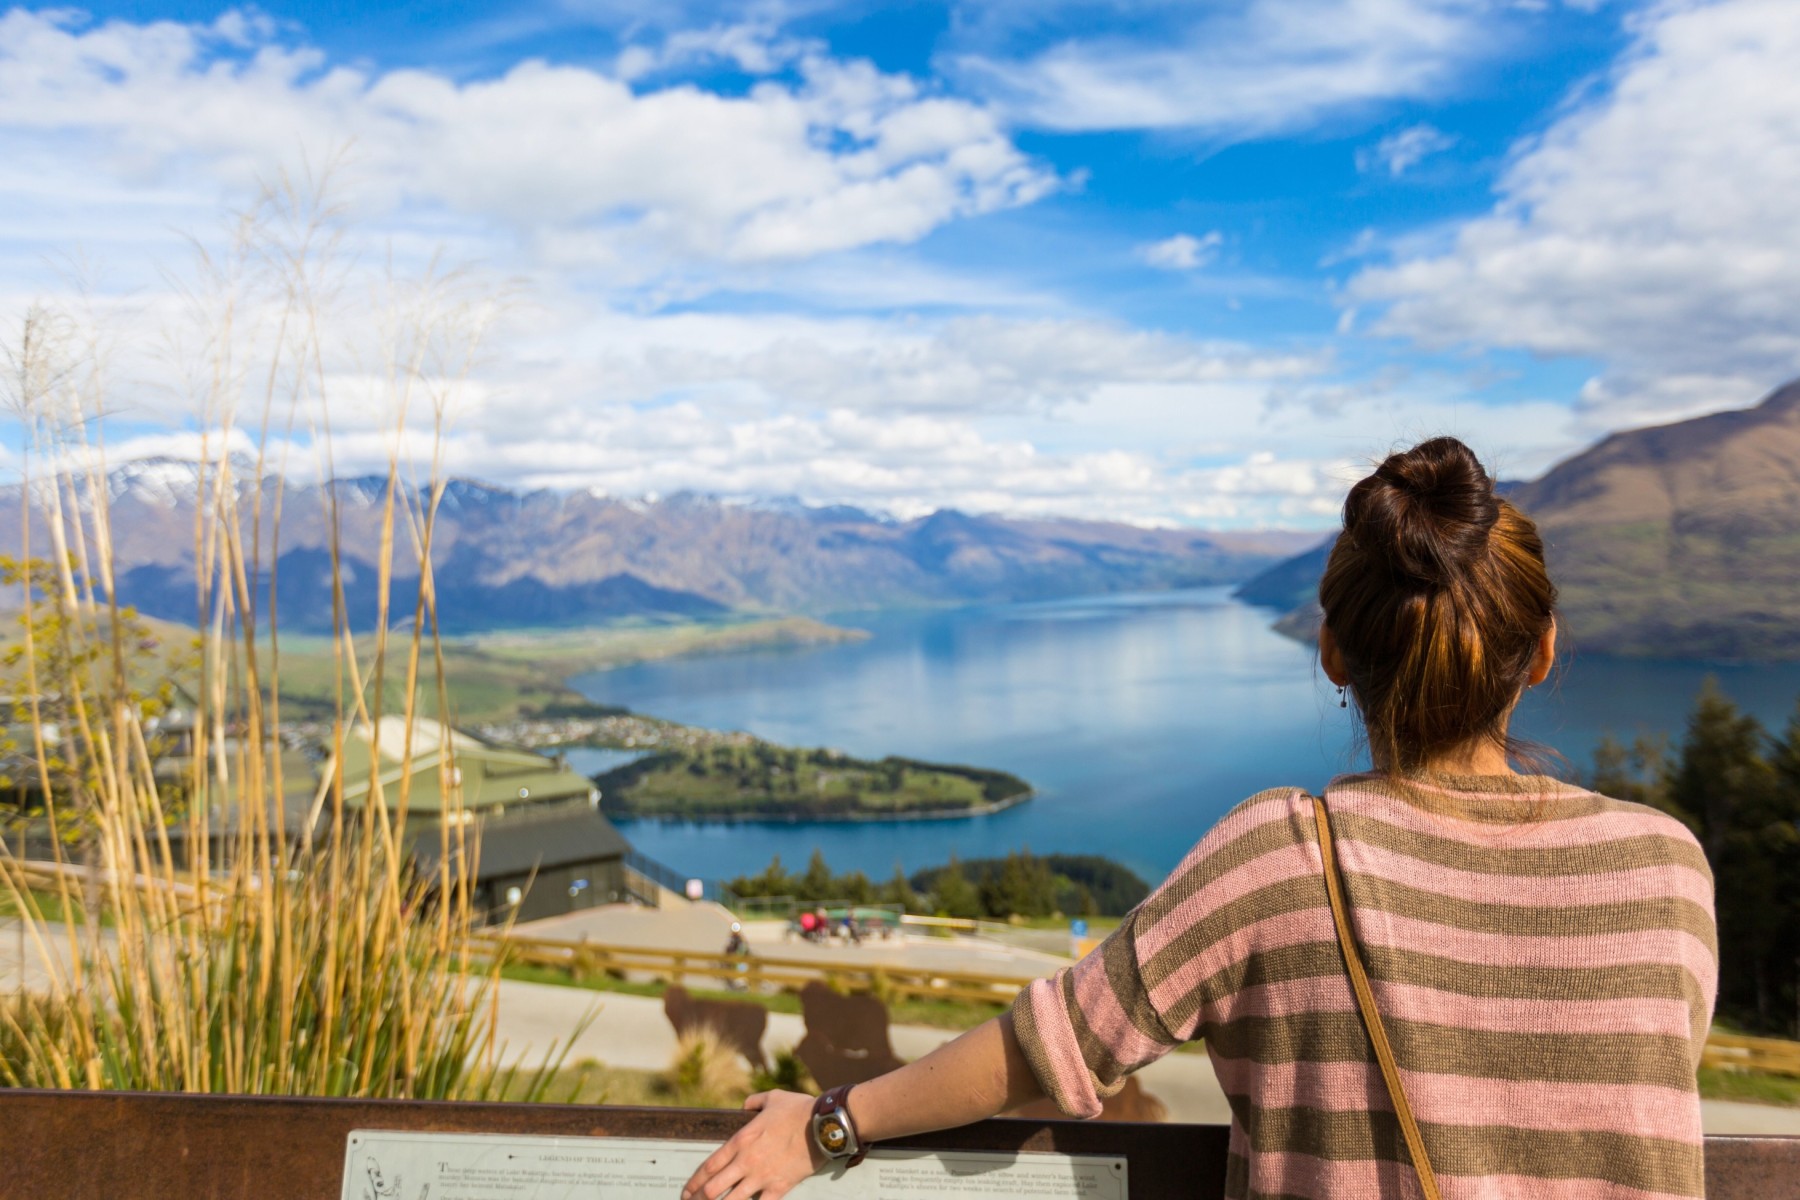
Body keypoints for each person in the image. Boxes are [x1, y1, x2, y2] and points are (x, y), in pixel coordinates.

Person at [683, 437, 1717, 1200]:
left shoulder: (1280, 858)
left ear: (1334, 657)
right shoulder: (1665, 872)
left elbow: (1051, 1046)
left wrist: (827, 1127)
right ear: (1539, 653)